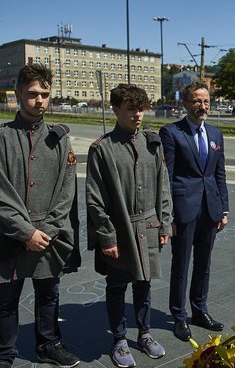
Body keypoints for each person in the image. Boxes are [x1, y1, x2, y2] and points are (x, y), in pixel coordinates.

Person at [0, 63, 81, 368]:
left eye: (45, 94)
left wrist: (45, 229)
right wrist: (25, 233)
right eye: (32, 93)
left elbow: (66, 193)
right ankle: (3, 355)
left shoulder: (60, 139)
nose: (39, 100)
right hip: (10, 237)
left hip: (50, 235)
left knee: (49, 294)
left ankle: (48, 346)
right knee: (6, 300)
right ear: (19, 93)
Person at [86, 84, 173, 368]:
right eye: (131, 110)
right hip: (120, 229)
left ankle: (145, 334)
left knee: (144, 285)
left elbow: (164, 189)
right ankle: (120, 339)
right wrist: (107, 237)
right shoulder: (103, 149)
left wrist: (164, 226)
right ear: (115, 109)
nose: (138, 115)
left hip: (148, 226)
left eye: (141, 109)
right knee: (117, 285)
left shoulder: (153, 143)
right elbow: (95, 199)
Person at [159, 80, 229, 342]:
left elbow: (219, 174)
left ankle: (199, 310)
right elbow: (167, 176)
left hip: (210, 210)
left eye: (206, 101)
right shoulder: (172, 133)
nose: (203, 106)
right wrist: (169, 216)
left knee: (204, 264)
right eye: (197, 101)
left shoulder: (215, 134)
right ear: (186, 104)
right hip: (184, 211)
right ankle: (178, 316)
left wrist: (224, 209)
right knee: (181, 264)